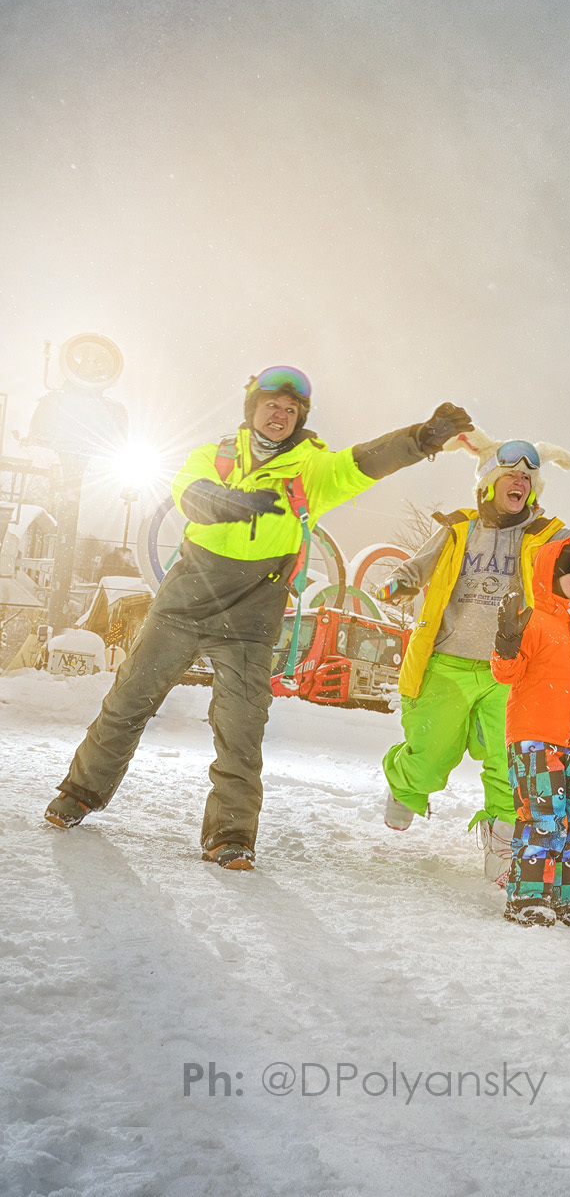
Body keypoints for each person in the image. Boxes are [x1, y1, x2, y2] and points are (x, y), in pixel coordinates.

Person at [43, 367, 472, 870]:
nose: (281, 415)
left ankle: (230, 836)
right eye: (272, 405)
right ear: (252, 410)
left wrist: (421, 438)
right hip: (185, 600)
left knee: (241, 728)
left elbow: (363, 463)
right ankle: (79, 793)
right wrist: (232, 502)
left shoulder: (311, 470)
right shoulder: (217, 454)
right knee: (128, 701)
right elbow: (190, 493)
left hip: (252, 609)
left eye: (291, 410)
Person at [376, 427, 570, 881]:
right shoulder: (460, 528)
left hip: (509, 670)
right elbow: (418, 565)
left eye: (528, 481)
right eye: (511, 476)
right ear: (488, 481)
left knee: (510, 762)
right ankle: (407, 785)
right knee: (431, 753)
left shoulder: (542, 533)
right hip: (447, 662)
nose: (520, 484)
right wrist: (398, 582)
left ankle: (503, 840)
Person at [488, 536, 570, 927]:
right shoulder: (534, 622)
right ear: (550, 576)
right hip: (535, 735)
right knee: (542, 819)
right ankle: (527, 896)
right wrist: (507, 641)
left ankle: (565, 898)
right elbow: (506, 672)